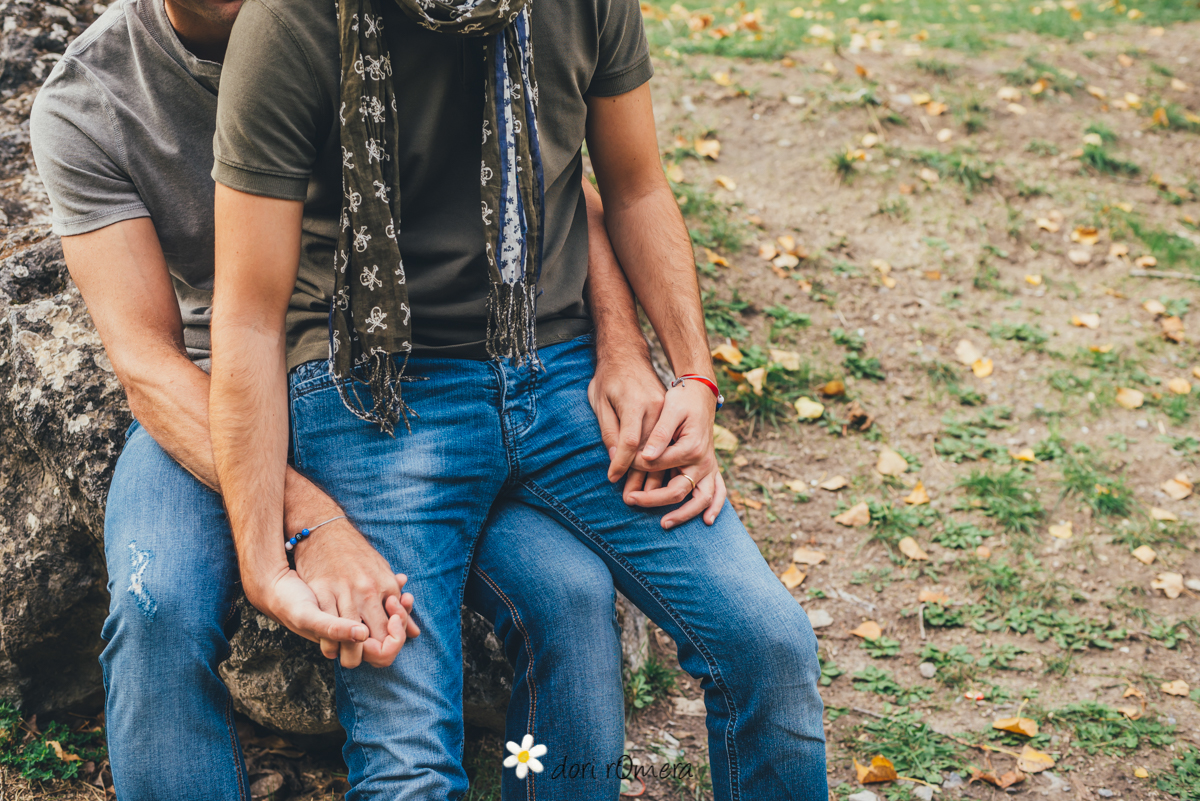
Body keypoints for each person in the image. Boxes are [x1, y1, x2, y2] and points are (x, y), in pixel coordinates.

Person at [27, 0, 707, 797]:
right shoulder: (89, 100)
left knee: (569, 591)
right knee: (155, 607)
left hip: (409, 384)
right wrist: (309, 519)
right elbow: (146, 362)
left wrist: (622, 345)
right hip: (212, 394)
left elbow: (546, 178)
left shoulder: (383, 16)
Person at [208, 0, 828, 798]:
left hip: (561, 371)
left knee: (766, 642)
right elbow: (249, 316)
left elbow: (634, 187)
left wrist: (693, 378)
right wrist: (264, 560)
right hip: (376, 395)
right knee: (407, 766)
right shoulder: (290, 21)